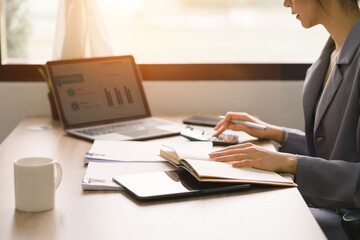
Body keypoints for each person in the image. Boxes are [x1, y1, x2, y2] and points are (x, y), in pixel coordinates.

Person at [208, 0, 360, 239]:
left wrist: (289, 162)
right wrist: (276, 134)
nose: (286, 2)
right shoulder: (333, 51)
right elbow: (332, 151)